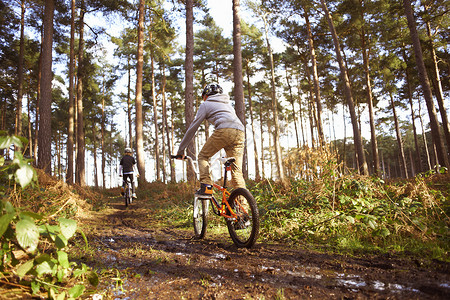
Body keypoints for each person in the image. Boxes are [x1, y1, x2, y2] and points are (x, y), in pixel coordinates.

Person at [176, 83, 246, 197]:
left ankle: (206, 186)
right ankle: (244, 209)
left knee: (203, 156)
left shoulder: (206, 104)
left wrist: (181, 150)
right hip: (240, 132)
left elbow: (193, 128)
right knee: (237, 173)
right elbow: (230, 136)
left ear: (206, 95)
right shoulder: (228, 105)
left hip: (224, 130)